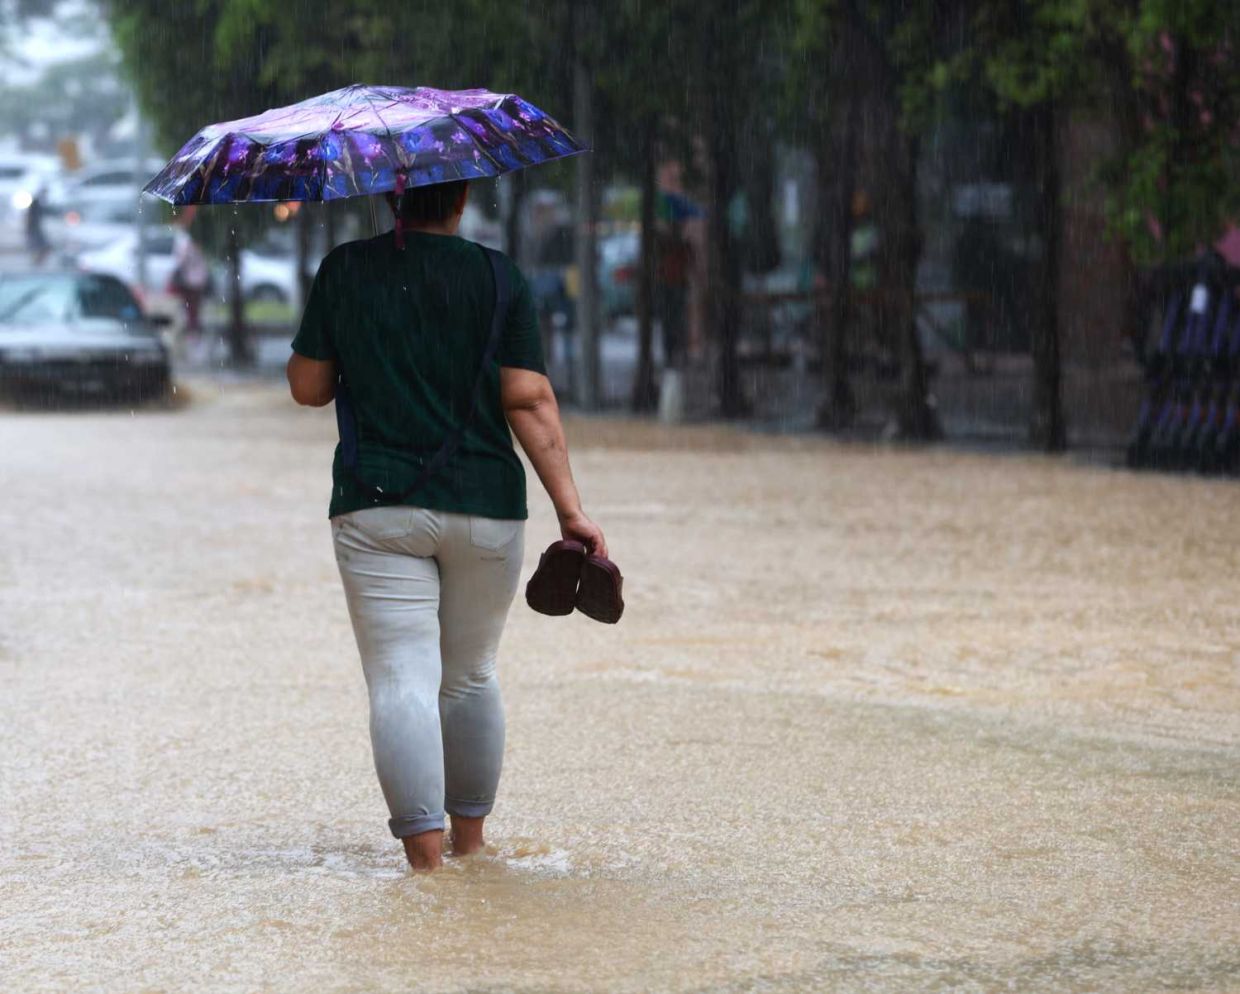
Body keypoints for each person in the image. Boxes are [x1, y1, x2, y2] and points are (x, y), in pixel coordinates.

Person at [286, 179, 608, 873]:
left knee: (401, 679)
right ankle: (471, 852)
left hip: (377, 505)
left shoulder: (346, 269)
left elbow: (308, 388)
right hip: (487, 506)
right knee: (469, 677)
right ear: (461, 197)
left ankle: (426, 872)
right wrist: (571, 510)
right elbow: (529, 399)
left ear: (389, 197)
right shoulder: (499, 277)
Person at [170, 225, 210, 337]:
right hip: (197, 281)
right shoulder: (197, 247)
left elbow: (181, 261)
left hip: (190, 281)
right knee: (194, 306)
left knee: (191, 306)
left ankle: (192, 327)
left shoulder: (187, 246)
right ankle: (193, 326)